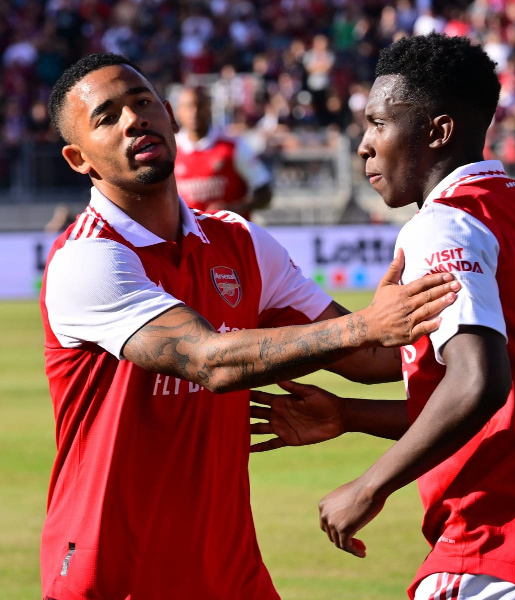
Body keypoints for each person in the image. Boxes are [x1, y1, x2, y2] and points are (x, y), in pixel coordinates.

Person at [40, 52, 461, 600]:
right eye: (107, 117)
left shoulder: (240, 243)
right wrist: (365, 325)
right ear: (79, 159)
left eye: (142, 103)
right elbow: (207, 360)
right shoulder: (86, 259)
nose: (132, 120)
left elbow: (375, 362)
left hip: (229, 572)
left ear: (168, 115)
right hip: (114, 571)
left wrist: (482, 329)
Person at [251, 33, 515, 600]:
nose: (363, 145)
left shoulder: (445, 224)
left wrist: (370, 486)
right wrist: (348, 414)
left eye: (378, 124)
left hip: (496, 545)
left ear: (437, 132)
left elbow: (478, 382)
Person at [174, 84, 272, 220]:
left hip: (232, 237)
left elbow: (265, 193)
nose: (194, 112)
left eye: (199, 105)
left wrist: (234, 209)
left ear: (209, 108)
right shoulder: (171, 149)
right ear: (178, 111)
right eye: (188, 106)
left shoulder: (233, 146)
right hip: (190, 239)